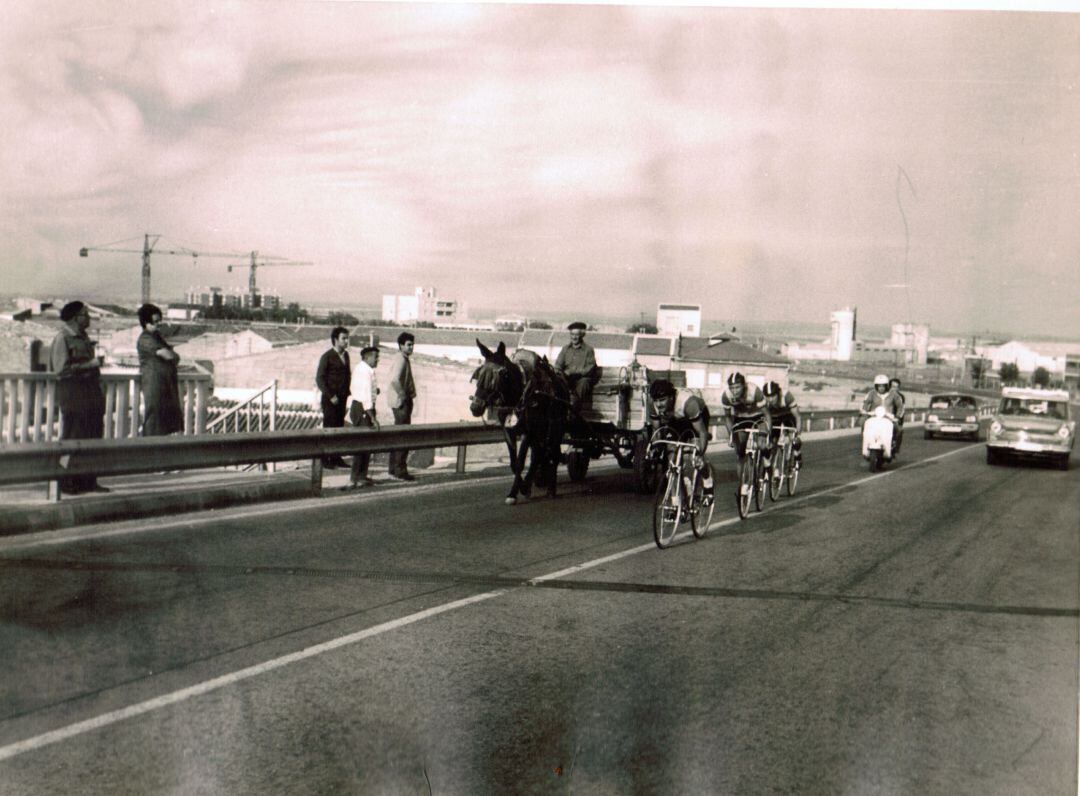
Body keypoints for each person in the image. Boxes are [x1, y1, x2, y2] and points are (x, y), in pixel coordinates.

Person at [48, 301, 109, 494]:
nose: (89, 318)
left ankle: (89, 481)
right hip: (73, 393)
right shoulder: (63, 338)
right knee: (73, 436)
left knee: (93, 436)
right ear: (75, 318)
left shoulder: (83, 337)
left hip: (90, 392)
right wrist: (91, 365)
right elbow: (61, 370)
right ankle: (67, 482)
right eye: (86, 314)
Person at [648, 379, 714, 502]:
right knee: (672, 463)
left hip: (695, 419)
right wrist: (657, 448)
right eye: (656, 400)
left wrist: (700, 453)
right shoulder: (652, 404)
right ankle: (676, 502)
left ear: (672, 397)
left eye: (662, 400)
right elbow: (656, 429)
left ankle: (708, 481)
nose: (659, 404)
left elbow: (702, 432)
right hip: (675, 421)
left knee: (694, 458)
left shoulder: (687, 402)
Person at [136, 303, 183, 436]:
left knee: (165, 422)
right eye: (155, 322)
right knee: (154, 419)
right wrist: (172, 355)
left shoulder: (157, 338)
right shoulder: (145, 339)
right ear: (146, 323)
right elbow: (169, 355)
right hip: (154, 384)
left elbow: (174, 357)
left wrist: (172, 355)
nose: (158, 325)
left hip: (164, 384)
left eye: (159, 321)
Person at [315, 326, 351, 469]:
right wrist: (330, 396)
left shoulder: (346, 355)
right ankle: (325, 459)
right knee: (329, 428)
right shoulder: (327, 356)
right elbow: (319, 379)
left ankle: (336, 457)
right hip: (330, 400)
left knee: (339, 428)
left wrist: (348, 392)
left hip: (342, 399)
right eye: (344, 338)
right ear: (335, 340)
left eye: (347, 338)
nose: (346, 341)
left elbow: (348, 375)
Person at [348, 345, 381, 488]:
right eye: (375, 357)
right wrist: (372, 418)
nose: (377, 359)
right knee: (362, 444)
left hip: (362, 407)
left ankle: (361, 476)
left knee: (365, 443)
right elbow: (366, 396)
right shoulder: (364, 371)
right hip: (363, 408)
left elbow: (364, 390)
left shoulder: (364, 369)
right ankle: (355, 477)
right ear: (367, 357)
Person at [721, 372, 771, 464]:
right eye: (732, 388)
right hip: (740, 418)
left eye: (737, 387)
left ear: (744, 385)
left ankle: (767, 461)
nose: (734, 391)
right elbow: (727, 417)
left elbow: (767, 414)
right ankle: (743, 477)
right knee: (740, 452)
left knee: (761, 445)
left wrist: (769, 434)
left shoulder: (754, 390)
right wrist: (731, 435)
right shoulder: (726, 396)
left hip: (758, 417)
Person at [387, 331, 417, 480]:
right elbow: (394, 379)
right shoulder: (401, 359)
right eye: (409, 345)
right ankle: (400, 470)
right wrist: (403, 396)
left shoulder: (402, 358)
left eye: (412, 345)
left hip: (399, 402)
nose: (411, 347)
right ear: (401, 345)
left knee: (398, 435)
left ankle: (393, 468)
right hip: (400, 403)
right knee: (403, 436)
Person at [555, 321, 598, 411]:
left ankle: (574, 408)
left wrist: (574, 371)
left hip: (581, 380)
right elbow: (558, 365)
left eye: (576, 335)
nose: (574, 337)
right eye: (572, 334)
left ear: (582, 335)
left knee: (584, 382)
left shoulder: (588, 350)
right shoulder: (565, 349)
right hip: (567, 379)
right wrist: (559, 372)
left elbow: (590, 368)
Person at [762, 381, 802, 468]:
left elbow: (798, 417)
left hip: (788, 415)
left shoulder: (786, 396)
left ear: (778, 393)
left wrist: (797, 434)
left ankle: (797, 454)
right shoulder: (764, 400)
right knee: (772, 441)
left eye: (773, 396)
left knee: (794, 438)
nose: (771, 399)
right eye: (768, 397)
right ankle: (772, 467)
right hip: (774, 417)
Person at [861, 374, 904, 452]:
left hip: (888, 418)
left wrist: (897, 416)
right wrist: (864, 411)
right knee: (863, 424)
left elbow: (900, 406)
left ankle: (894, 445)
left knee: (899, 430)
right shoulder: (871, 393)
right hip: (874, 417)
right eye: (879, 386)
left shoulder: (893, 394)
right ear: (876, 386)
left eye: (883, 386)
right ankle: (866, 442)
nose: (881, 388)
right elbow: (866, 403)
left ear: (887, 386)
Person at [889, 377, 907, 455]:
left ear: (899, 388)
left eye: (896, 387)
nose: (894, 389)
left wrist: (898, 417)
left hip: (895, 419)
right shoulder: (884, 395)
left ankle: (896, 447)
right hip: (883, 417)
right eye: (892, 386)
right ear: (889, 386)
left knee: (899, 430)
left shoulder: (901, 397)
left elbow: (902, 409)